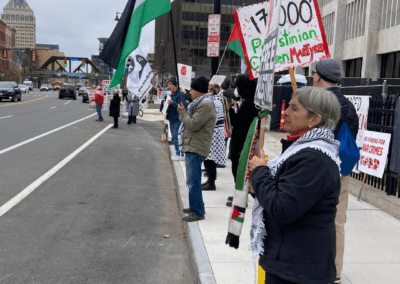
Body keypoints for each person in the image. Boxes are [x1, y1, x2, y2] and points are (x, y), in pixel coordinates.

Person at [248, 87, 342, 284]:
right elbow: (284, 192)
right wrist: (259, 184)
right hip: (289, 262)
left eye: (294, 108)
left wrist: (260, 172)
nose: (286, 113)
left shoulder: (314, 158)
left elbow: (283, 207)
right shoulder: (301, 148)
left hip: (298, 270)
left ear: (314, 120)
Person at [313, 58, 358, 284]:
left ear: (319, 77)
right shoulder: (349, 105)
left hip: (316, 171)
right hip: (341, 173)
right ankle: (335, 273)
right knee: (337, 223)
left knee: (311, 220)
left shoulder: (317, 104)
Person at [177, 76, 216, 222]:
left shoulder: (205, 104)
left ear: (199, 91)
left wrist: (182, 112)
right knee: (193, 180)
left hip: (196, 146)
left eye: (192, 89)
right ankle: (195, 206)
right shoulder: (200, 103)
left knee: (193, 181)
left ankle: (198, 211)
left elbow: (193, 124)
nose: (190, 92)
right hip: (193, 145)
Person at [225, 74, 259, 207]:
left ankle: (241, 198)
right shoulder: (250, 102)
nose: (236, 89)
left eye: (238, 87)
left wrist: (231, 113)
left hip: (241, 143)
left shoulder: (248, 104)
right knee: (239, 170)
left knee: (239, 170)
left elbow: (239, 123)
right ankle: (239, 195)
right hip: (243, 141)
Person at [202, 83, 226, 191]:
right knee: (209, 157)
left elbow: (212, 118)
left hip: (213, 132)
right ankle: (210, 180)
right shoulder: (216, 100)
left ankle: (211, 182)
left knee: (210, 158)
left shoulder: (215, 101)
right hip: (214, 131)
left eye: (209, 89)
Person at [166, 77, 187, 161]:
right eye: (168, 84)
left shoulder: (180, 94)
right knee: (174, 137)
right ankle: (177, 153)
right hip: (171, 118)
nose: (169, 86)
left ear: (175, 86)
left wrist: (172, 103)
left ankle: (181, 154)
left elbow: (183, 106)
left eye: (171, 84)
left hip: (178, 119)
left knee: (178, 137)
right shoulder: (171, 94)